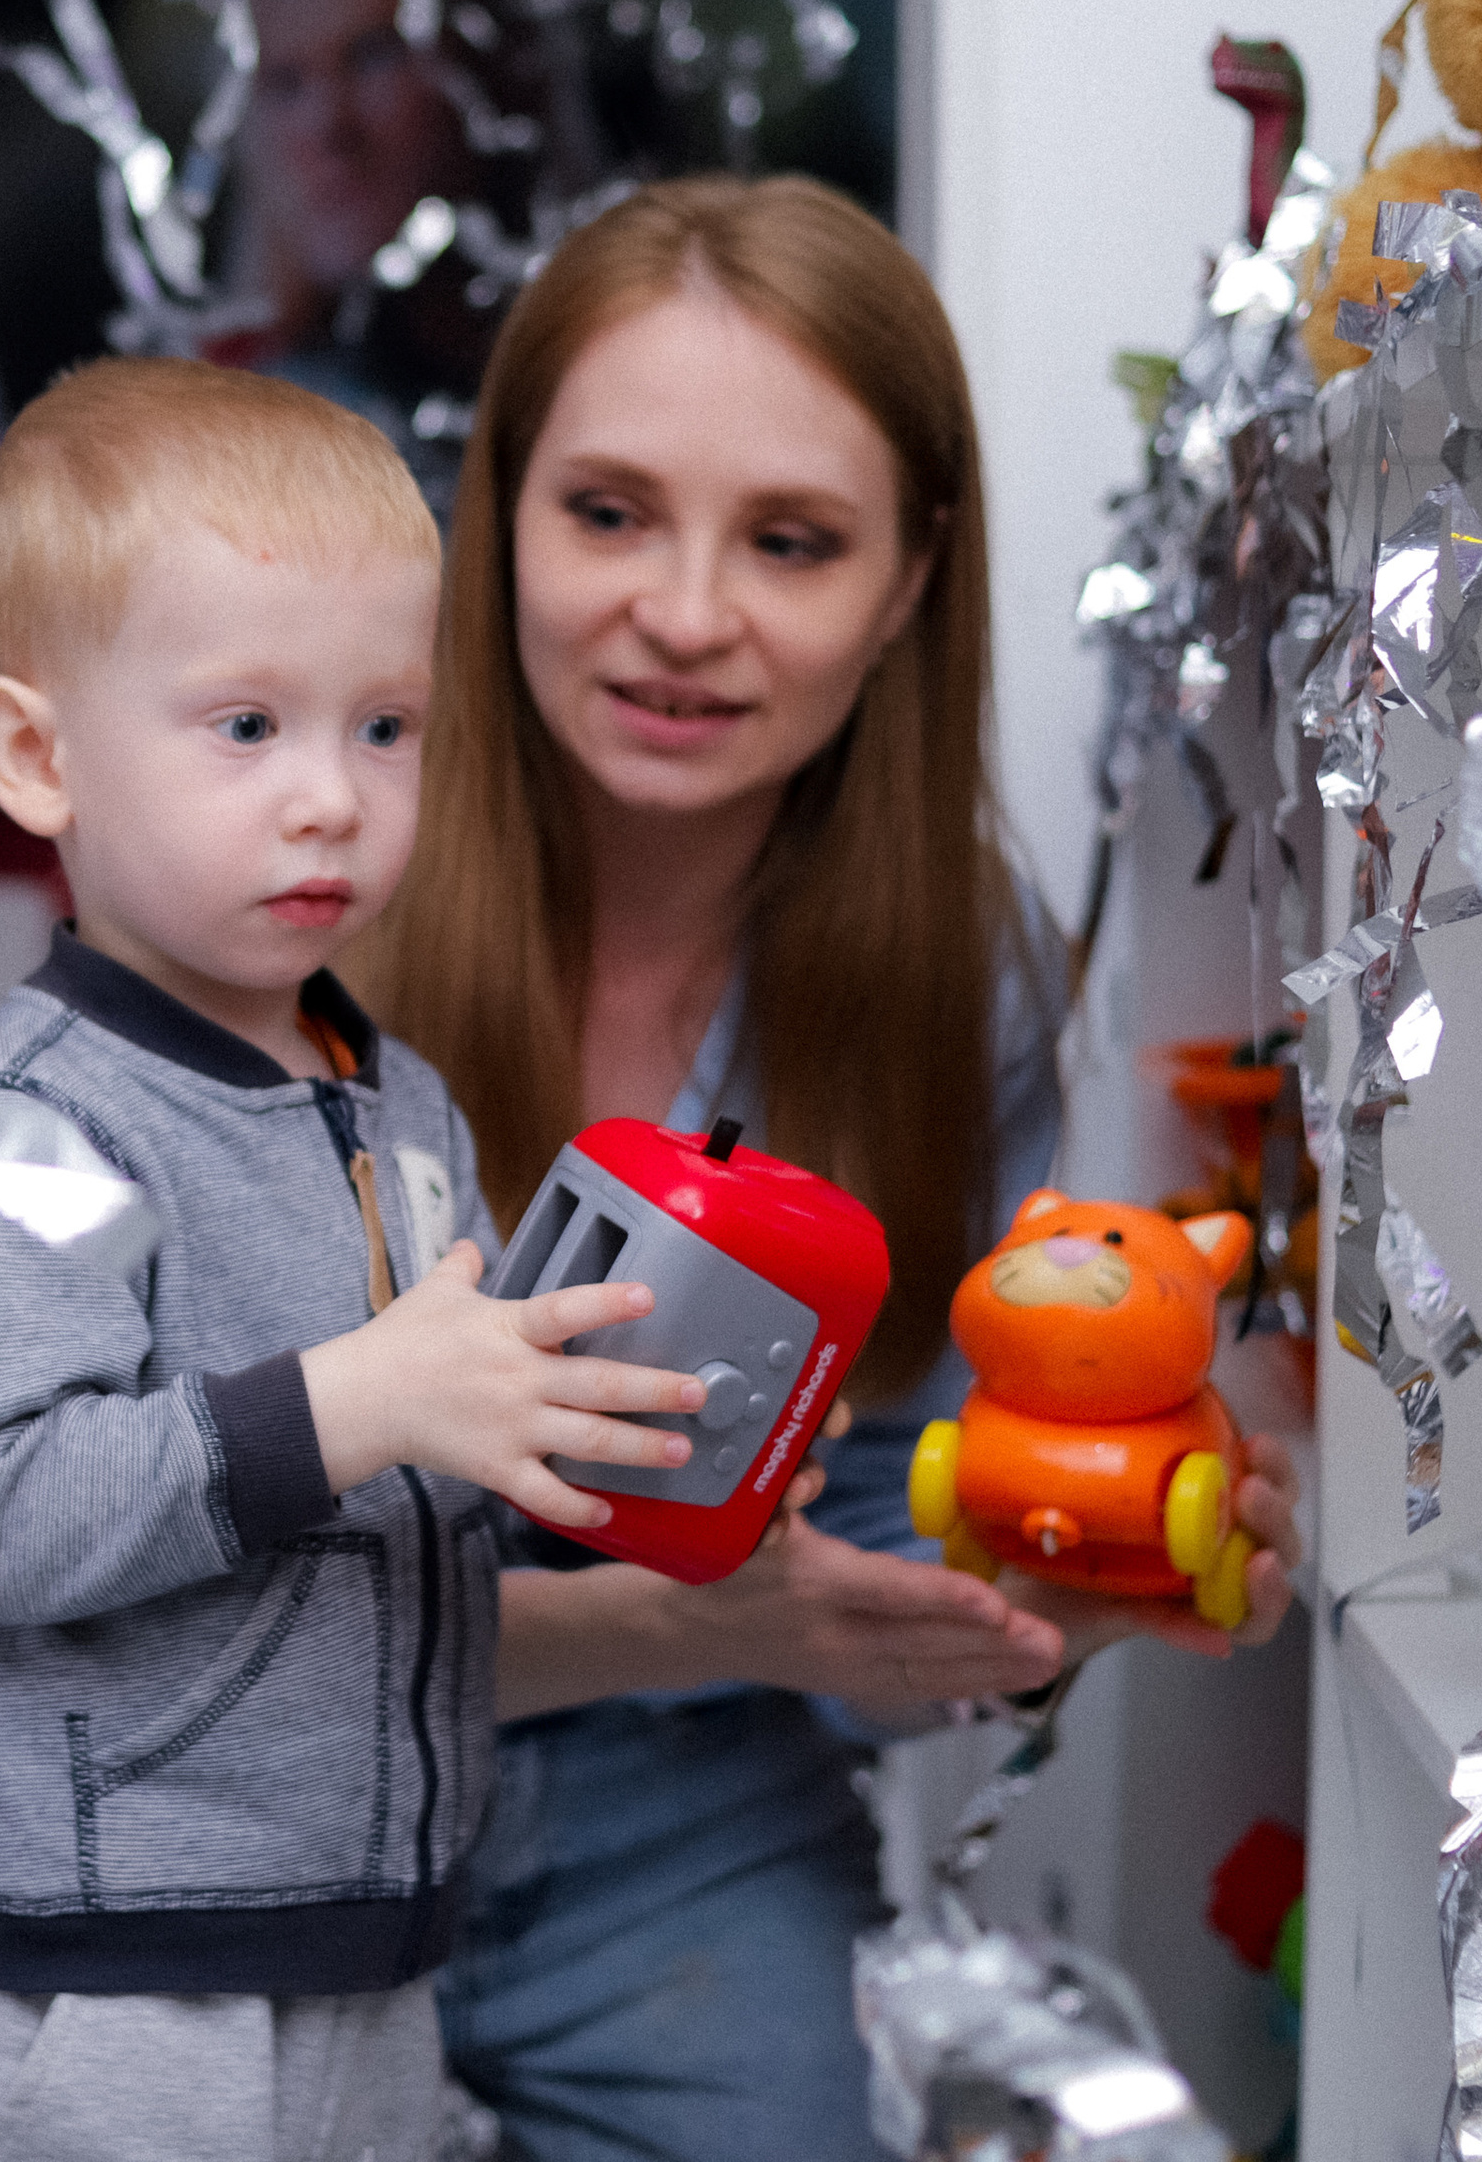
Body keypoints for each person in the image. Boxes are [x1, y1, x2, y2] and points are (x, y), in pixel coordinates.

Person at [355, 175, 1305, 2160]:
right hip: (265, 1809)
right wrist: (704, 1621)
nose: (683, 613)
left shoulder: (943, 967)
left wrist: (1058, 1579)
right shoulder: (297, 884)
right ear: (495, 512)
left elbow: (855, 1587)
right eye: (605, 510)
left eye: (788, 541)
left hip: (676, 1833)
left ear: (900, 584)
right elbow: (191, 1612)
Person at [0, 358, 712, 2160]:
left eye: (383, 727)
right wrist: (365, 1396)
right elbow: (10, 1513)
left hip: (360, 1958)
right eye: (246, 727)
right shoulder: (32, 1134)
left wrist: (589, 1453)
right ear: (39, 757)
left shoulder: (392, 1096)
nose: (331, 796)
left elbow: (427, 1485)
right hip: (108, 1994)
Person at [227, 0, 601, 531]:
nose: (327, 125)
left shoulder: (630, 367)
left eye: (376, 55)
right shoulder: (235, 454)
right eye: (286, 83)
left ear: (498, 75)